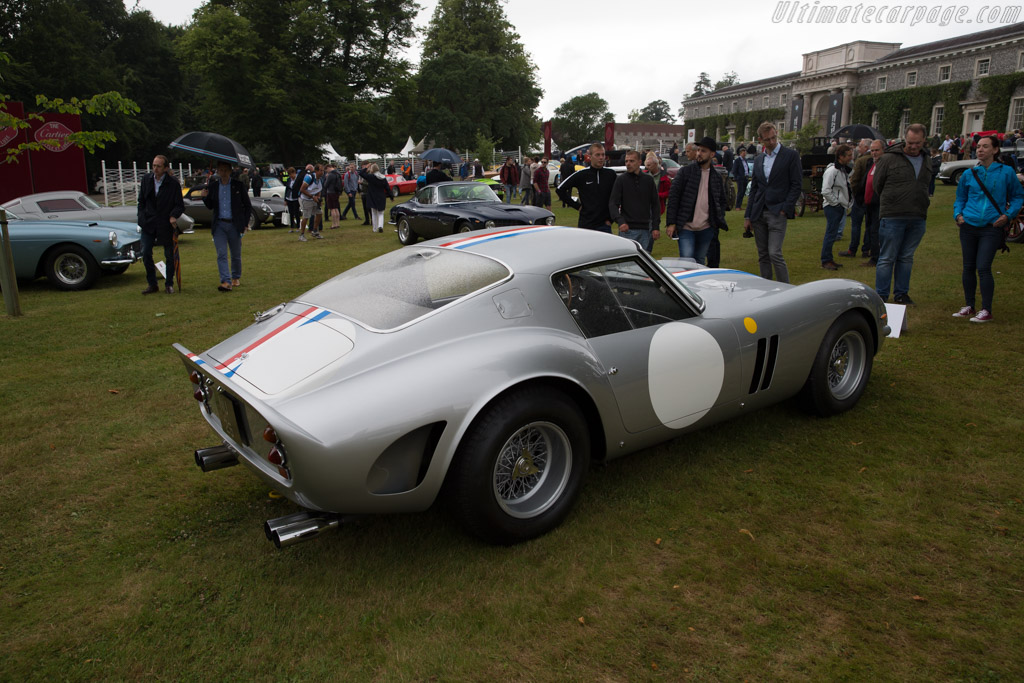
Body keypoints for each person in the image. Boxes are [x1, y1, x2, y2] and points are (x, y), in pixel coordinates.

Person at [952, 134, 1024, 323]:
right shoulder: (969, 174)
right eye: (978, 146)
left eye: (985, 146)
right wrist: (958, 214)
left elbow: (1018, 196)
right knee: (968, 266)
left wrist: (1008, 215)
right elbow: (960, 198)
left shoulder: (1006, 172)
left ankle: (986, 309)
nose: (980, 149)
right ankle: (969, 305)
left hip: (992, 226)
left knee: (983, 266)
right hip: (968, 225)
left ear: (995, 150)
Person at [873, 123, 932, 305]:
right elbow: (878, 185)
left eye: (918, 143)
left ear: (924, 140)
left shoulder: (927, 159)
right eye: (911, 142)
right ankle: (881, 295)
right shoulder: (889, 158)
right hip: (893, 215)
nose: (914, 146)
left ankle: (901, 294)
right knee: (887, 257)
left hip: (917, 215)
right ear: (904, 139)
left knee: (906, 257)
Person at [743, 122, 802, 283]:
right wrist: (748, 216)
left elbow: (797, 184)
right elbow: (754, 188)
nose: (772, 142)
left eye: (774, 137)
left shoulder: (790, 155)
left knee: (774, 253)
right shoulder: (759, 158)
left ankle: (785, 288)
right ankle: (766, 287)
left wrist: (786, 208)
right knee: (763, 254)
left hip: (778, 210)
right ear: (761, 140)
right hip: (759, 211)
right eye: (768, 139)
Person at [666, 136, 728, 264]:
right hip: (686, 227)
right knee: (687, 260)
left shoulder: (716, 177)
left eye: (703, 151)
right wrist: (671, 222)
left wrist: (716, 221)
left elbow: (721, 201)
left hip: (706, 228)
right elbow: (673, 197)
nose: (699, 153)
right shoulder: (685, 172)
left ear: (712, 154)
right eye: (698, 150)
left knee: (700, 261)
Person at [202, 161, 252, 291]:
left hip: (234, 225)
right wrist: (204, 197)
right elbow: (210, 206)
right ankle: (225, 281)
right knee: (221, 254)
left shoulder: (238, 186)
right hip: (219, 225)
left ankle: (235, 277)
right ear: (217, 171)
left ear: (230, 171)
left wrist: (245, 223)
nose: (223, 173)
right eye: (221, 170)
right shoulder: (213, 187)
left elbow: (247, 206)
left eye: (225, 170)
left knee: (235, 254)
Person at [136, 154, 184, 294]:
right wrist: (142, 218)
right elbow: (141, 201)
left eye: (158, 166)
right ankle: (152, 283)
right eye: (154, 165)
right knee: (145, 252)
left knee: (169, 254)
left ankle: (169, 283)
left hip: (165, 223)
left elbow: (179, 205)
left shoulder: (172, 183)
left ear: (165, 168)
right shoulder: (147, 180)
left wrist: (173, 215)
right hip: (149, 222)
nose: (155, 169)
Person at [556, 143, 617, 232]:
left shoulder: (611, 174)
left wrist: (611, 219)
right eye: (597, 155)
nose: (601, 158)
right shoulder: (582, 174)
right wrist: (577, 206)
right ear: (590, 156)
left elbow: (618, 196)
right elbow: (560, 189)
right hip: (586, 224)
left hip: (604, 225)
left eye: (603, 155)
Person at [609, 150, 660, 252]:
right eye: (626, 161)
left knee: (643, 262)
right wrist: (620, 221)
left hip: (646, 230)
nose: (628, 164)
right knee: (626, 263)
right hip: (627, 229)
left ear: (639, 162)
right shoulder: (621, 180)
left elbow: (655, 205)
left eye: (631, 161)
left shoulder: (648, 180)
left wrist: (655, 227)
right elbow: (613, 203)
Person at [820, 144, 853, 270]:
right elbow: (825, 190)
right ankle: (826, 260)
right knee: (831, 233)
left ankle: (828, 258)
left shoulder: (842, 170)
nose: (851, 158)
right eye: (849, 155)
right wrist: (836, 203)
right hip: (833, 207)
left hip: (838, 205)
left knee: (832, 234)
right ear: (841, 156)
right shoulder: (832, 170)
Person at [839, 140, 872, 258]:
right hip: (872, 197)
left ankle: (852, 249)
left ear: (866, 147)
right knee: (869, 224)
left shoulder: (861, 160)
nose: (858, 148)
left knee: (856, 225)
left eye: (860, 146)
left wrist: (851, 192)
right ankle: (866, 249)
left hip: (860, 196)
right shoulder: (877, 160)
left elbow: (855, 179)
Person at [359, 162, 390, 233]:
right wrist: (391, 196)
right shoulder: (383, 177)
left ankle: (375, 228)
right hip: (381, 196)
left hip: (372, 196)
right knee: (381, 213)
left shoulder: (371, 177)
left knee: (374, 213)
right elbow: (387, 187)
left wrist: (366, 167)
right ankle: (380, 226)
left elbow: (361, 173)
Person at [297, 164, 323, 242]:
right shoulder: (309, 178)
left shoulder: (319, 179)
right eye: (321, 170)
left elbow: (318, 190)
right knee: (306, 216)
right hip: (306, 199)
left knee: (319, 213)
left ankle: (314, 230)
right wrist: (312, 197)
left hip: (313, 199)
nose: (322, 172)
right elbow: (302, 189)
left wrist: (318, 198)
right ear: (316, 171)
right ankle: (301, 235)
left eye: (323, 170)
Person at [323, 163, 342, 229]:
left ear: (328, 168)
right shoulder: (338, 173)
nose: (326, 172)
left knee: (332, 208)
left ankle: (334, 224)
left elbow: (325, 185)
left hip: (330, 192)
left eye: (326, 170)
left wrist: (326, 178)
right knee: (336, 208)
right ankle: (338, 223)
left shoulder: (330, 175)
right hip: (336, 192)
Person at [731, 146, 751, 210]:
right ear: (740, 153)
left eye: (745, 152)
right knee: (740, 192)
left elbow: (746, 168)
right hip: (740, 178)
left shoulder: (745, 160)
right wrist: (737, 177)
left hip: (745, 178)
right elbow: (734, 170)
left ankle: (740, 205)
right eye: (743, 152)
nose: (744, 154)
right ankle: (737, 206)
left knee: (743, 192)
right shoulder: (737, 161)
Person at [284, 165, 302, 231]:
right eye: (289, 175)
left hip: (296, 198)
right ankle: (291, 227)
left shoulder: (298, 179)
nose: (291, 176)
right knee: (291, 213)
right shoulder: (289, 180)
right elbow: (287, 189)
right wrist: (285, 199)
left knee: (296, 213)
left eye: (291, 174)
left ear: (294, 173)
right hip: (289, 198)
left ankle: (298, 227)